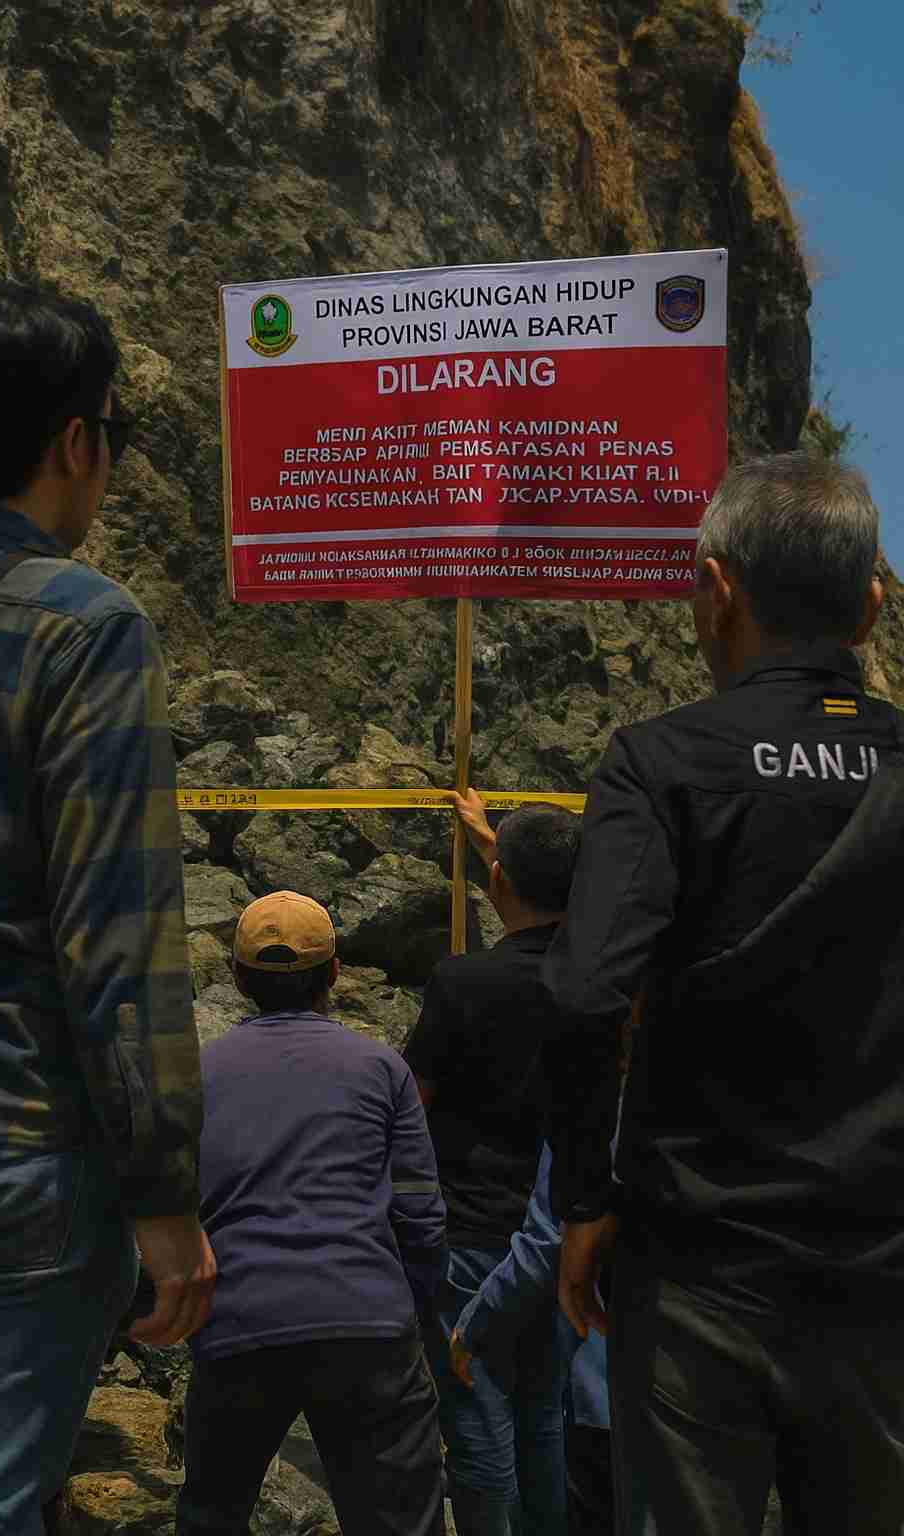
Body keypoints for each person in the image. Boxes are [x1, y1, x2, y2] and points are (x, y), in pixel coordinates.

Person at [0, 280, 214, 1536]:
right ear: (77, 442)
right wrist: (163, 1194)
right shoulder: (85, 628)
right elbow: (118, 939)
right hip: (16, 1148)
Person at [541, 451, 904, 1534]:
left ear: (715, 590)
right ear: (869, 606)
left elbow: (584, 994)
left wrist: (584, 1201)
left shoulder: (659, 763)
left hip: (697, 1268)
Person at [178, 890, 447, 1536]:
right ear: (335, 972)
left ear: (239, 979)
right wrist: (412, 1308)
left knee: (212, 1514)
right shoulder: (381, 1068)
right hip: (365, 1317)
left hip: (239, 1321)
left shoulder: (199, 1075)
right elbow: (420, 1211)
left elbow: (175, 1202)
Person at [403, 801, 582, 1536]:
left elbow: (412, 1104)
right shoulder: (600, 981)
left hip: (471, 1234)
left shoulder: (463, 981)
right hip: (566, 1236)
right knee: (545, 1414)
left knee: (477, 1416)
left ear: (499, 882)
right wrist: (491, 844)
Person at [447, 1142, 612, 1536]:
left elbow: (547, 1236)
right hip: (558, 1271)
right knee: (543, 1424)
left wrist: (474, 1321)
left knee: (487, 1435)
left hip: (483, 1243)